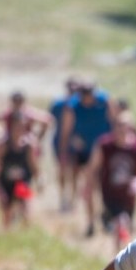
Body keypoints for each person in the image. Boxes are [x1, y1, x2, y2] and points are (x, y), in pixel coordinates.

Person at [88, 111, 136, 249]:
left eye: (124, 125)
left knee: (124, 225)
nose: (121, 129)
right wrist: (88, 188)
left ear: (131, 127)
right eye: (118, 125)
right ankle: (119, 256)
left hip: (129, 196)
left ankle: (122, 255)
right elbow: (93, 167)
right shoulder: (104, 145)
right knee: (120, 221)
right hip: (109, 194)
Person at [58, 79, 117, 236]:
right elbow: (66, 131)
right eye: (84, 96)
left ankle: (105, 215)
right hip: (83, 151)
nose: (87, 99)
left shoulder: (104, 101)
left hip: (104, 150)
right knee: (89, 186)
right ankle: (91, 221)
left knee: (104, 186)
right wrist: (64, 152)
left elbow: (115, 121)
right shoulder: (73, 106)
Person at [0, 112, 39, 229]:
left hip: (22, 182)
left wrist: (39, 179)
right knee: (6, 211)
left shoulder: (28, 145)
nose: (19, 129)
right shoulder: (3, 145)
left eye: (21, 126)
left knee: (26, 210)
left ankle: (26, 237)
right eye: (16, 126)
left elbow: (33, 165)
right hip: (6, 182)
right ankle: (7, 236)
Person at [48, 77, 79, 212]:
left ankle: (73, 199)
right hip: (60, 142)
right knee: (61, 170)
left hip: (75, 143)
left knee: (75, 172)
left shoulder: (79, 104)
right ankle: (62, 197)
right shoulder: (58, 104)